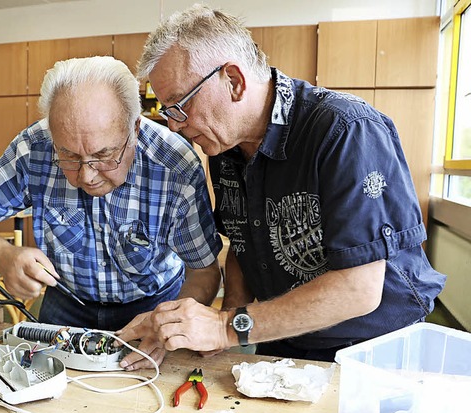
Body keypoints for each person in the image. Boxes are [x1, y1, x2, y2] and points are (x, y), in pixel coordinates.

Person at [117, 4, 446, 364]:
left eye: (179, 105)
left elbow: (359, 289)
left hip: (372, 344)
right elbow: (244, 244)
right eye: (168, 112)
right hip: (284, 335)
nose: (175, 125)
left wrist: (227, 326)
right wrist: (228, 315)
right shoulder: (224, 148)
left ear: (234, 80)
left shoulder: (345, 130)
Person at [0, 56, 222, 366]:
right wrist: (2, 255)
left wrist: (170, 324)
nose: (86, 175)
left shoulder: (175, 166)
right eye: (70, 155)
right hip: (65, 303)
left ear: (136, 128)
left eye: (104, 155)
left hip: (152, 309)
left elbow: (203, 270)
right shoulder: (35, 147)